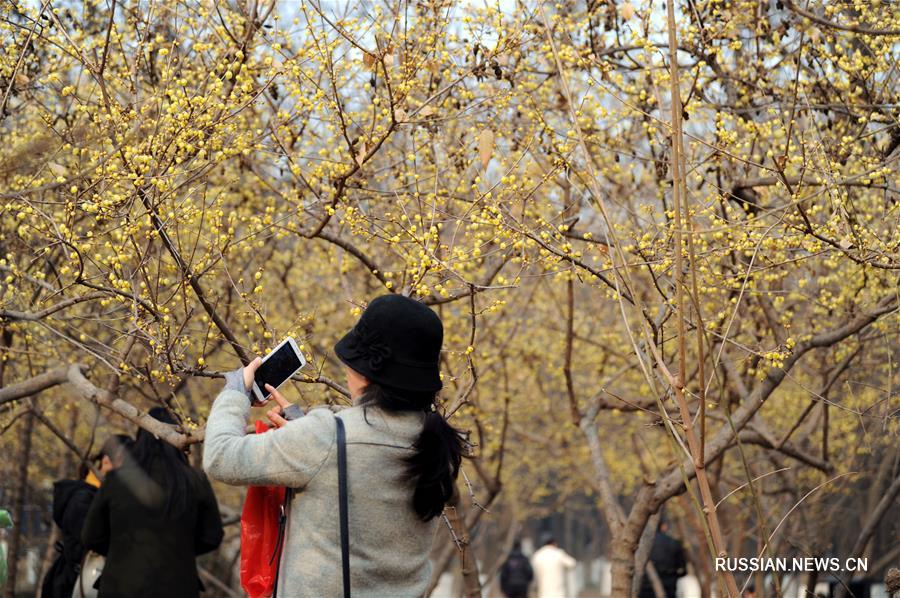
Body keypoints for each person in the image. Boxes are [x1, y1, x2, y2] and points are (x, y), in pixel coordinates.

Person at [204, 294, 467, 597]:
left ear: (366, 372)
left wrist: (235, 392)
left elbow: (220, 456)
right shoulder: (436, 443)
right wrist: (303, 428)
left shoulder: (325, 436)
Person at [82, 408, 224, 597]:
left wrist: (122, 551)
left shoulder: (117, 479)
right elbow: (212, 536)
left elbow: (91, 536)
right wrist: (180, 549)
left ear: (139, 439)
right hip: (178, 587)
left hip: (121, 586)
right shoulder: (194, 480)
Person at [42, 435, 131, 598]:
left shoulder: (108, 496)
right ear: (106, 462)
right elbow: (94, 540)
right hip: (78, 583)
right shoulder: (82, 498)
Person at [638, 520, 687, 598]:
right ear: (663, 526)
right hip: (668, 586)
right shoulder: (673, 542)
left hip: (644, 587)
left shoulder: (640, 544)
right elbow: (683, 568)